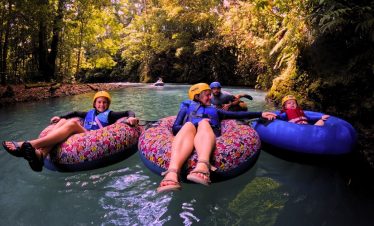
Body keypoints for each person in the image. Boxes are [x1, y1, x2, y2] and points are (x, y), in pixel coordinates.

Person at [157, 83, 276, 192]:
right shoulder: (186, 108)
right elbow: (175, 128)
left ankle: (203, 165)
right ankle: (172, 173)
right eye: (207, 95)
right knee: (188, 124)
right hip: (189, 134)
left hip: (209, 134)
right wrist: (195, 123)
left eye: (210, 95)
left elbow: (237, 114)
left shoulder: (215, 110)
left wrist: (260, 114)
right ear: (197, 97)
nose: (210, 97)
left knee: (204, 123)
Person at [2, 91, 139, 172]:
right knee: (63, 122)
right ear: (94, 104)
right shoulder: (88, 113)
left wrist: (132, 118)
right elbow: (74, 112)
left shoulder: (110, 114)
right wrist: (60, 117)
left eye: (104, 103)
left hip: (94, 137)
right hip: (83, 134)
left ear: (108, 104)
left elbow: (128, 111)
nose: (101, 105)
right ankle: (40, 155)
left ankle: (30, 144)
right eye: (99, 102)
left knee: (72, 123)